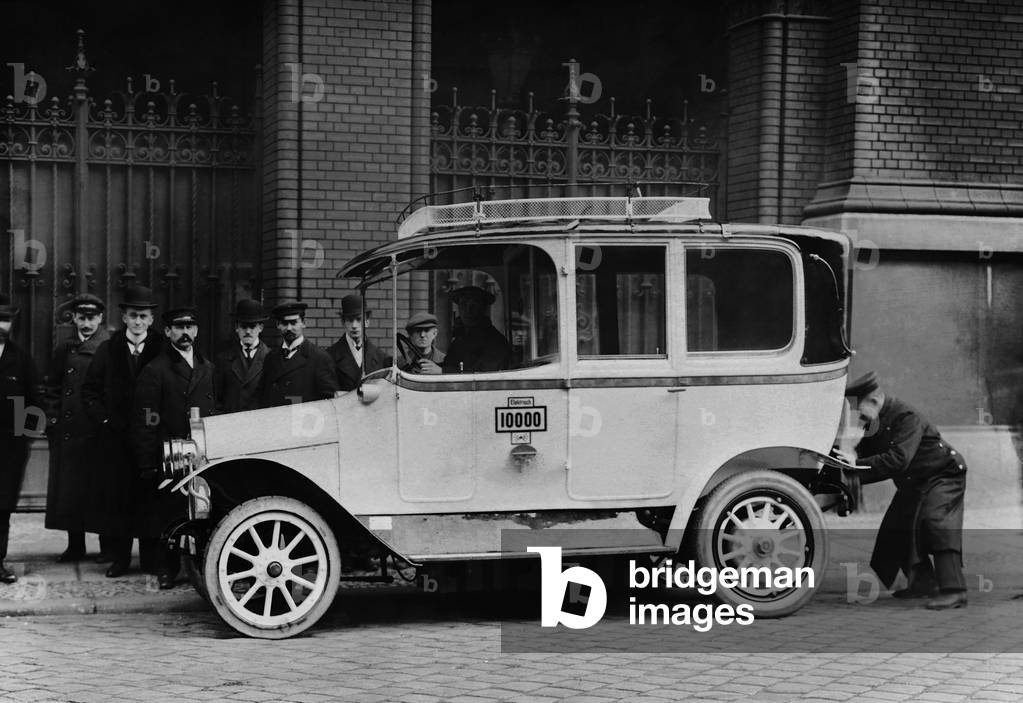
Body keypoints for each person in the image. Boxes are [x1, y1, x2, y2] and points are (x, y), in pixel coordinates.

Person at [842, 371, 968, 610]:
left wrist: (854, 466)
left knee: (937, 523)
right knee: (896, 529)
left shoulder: (906, 416)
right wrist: (847, 462)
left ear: (874, 400)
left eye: (860, 409)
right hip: (916, 482)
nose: (858, 415)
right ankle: (923, 584)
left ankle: (955, 591)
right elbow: (864, 455)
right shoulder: (875, 420)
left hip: (943, 474)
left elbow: (899, 459)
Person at [81, 285, 166, 577]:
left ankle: (150, 559)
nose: (138, 321)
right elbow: (90, 391)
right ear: (124, 318)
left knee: (150, 500)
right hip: (116, 441)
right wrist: (104, 422)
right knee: (118, 501)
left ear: (151, 319)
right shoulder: (108, 349)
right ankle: (120, 560)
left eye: (143, 316)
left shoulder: (162, 349)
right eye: (133, 315)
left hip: (151, 438)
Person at [132, 307, 216, 589]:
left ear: (196, 331)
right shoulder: (155, 370)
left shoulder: (208, 368)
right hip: (169, 453)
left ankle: (200, 565)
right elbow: (146, 419)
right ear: (168, 332)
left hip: (201, 452)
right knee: (168, 514)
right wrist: (147, 461)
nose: (185, 333)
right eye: (178, 327)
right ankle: (166, 568)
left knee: (200, 509)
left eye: (190, 327)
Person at [43, 293, 109, 562]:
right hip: (69, 432)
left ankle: (108, 548)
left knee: (102, 491)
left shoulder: (108, 347)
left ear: (100, 319)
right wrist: (53, 420)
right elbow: (52, 387)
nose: (86, 324)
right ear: (74, 319)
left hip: (96, 430)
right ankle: (75, 546)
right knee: (71, 491)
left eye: (91, 318)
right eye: (82, 318)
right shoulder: (65, 348)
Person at [0, 293, 42, 584]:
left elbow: (34, 404)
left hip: (8, 449)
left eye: (5, 319)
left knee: (1, 508)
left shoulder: (22, 360)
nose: (0, 325)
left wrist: (22, 440)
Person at [258, 301, 339, 407]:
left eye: (293, 323)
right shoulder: (271, 357)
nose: (289, 328)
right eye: (284, 323)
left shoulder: (319, 358)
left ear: (304, 323)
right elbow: (263, 396)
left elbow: (328, 401)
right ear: (278, 325)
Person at [214, 299, 270, 413]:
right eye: (244, 326)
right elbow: (217, 399)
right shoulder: (223, 360)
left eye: (252, 326)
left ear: (260, 328)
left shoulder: (271, 358)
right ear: (237, 328)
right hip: (232, 421)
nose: (248, 331)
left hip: (260, 421)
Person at [442, 286, 512, 373]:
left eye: (474, 305)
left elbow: (483, 374)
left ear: (483, 309)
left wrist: (442, 371)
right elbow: (450, 364)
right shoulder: (460, 339)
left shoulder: (495, 341)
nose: (468, 310)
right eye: (463, 304)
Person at [328, 294, 390, 390]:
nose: (354, 325)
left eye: (359, 319)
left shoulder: (382, 358)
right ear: (343, 322)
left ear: (367, 321)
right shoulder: (330, 356)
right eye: (350, 320)